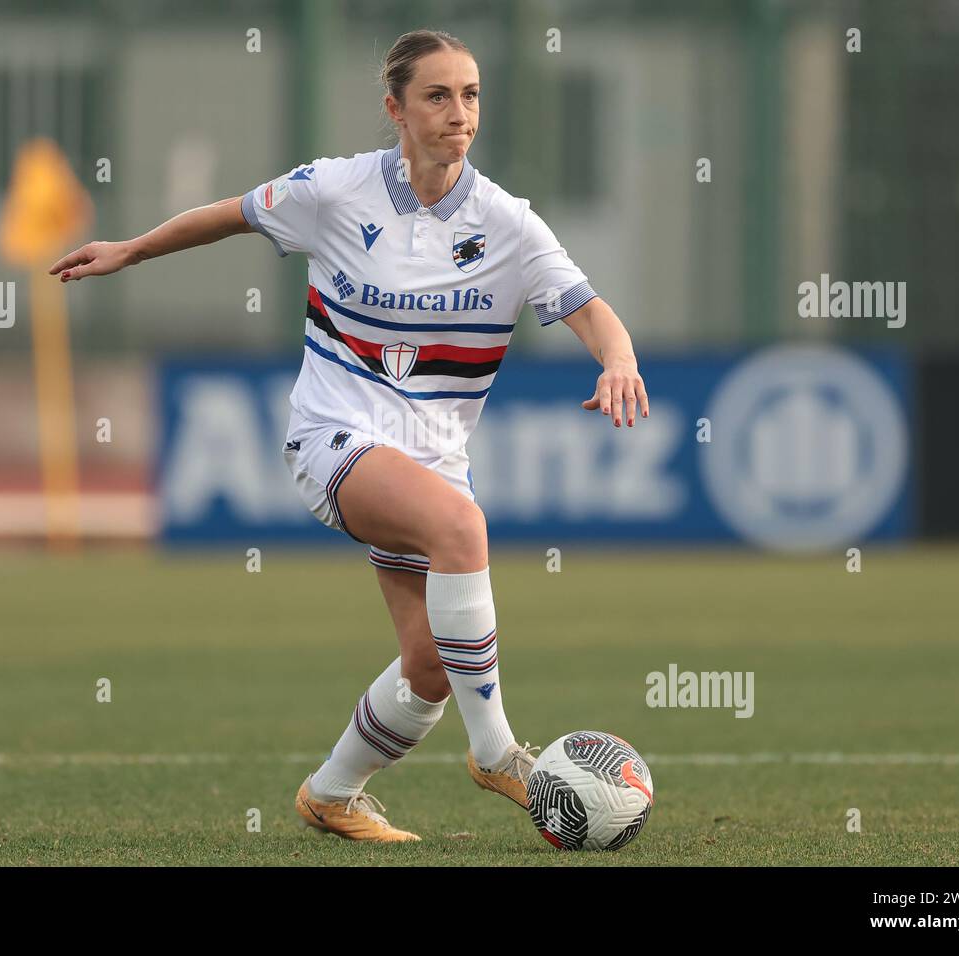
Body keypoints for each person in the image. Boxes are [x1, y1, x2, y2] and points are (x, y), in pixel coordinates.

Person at [50, 28, 648, 842]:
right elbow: (226, 216)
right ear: (395, 108)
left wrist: (617, 359)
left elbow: (587, 306)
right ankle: (498, 751)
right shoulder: (334, 191)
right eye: (437, 96)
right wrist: (130, 249)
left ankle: (331, 794)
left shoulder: (508, 222)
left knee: (431, 668)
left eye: (470, 94)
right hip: (334, 437)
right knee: (461, 526)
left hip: (434, 461)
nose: (458, 112)